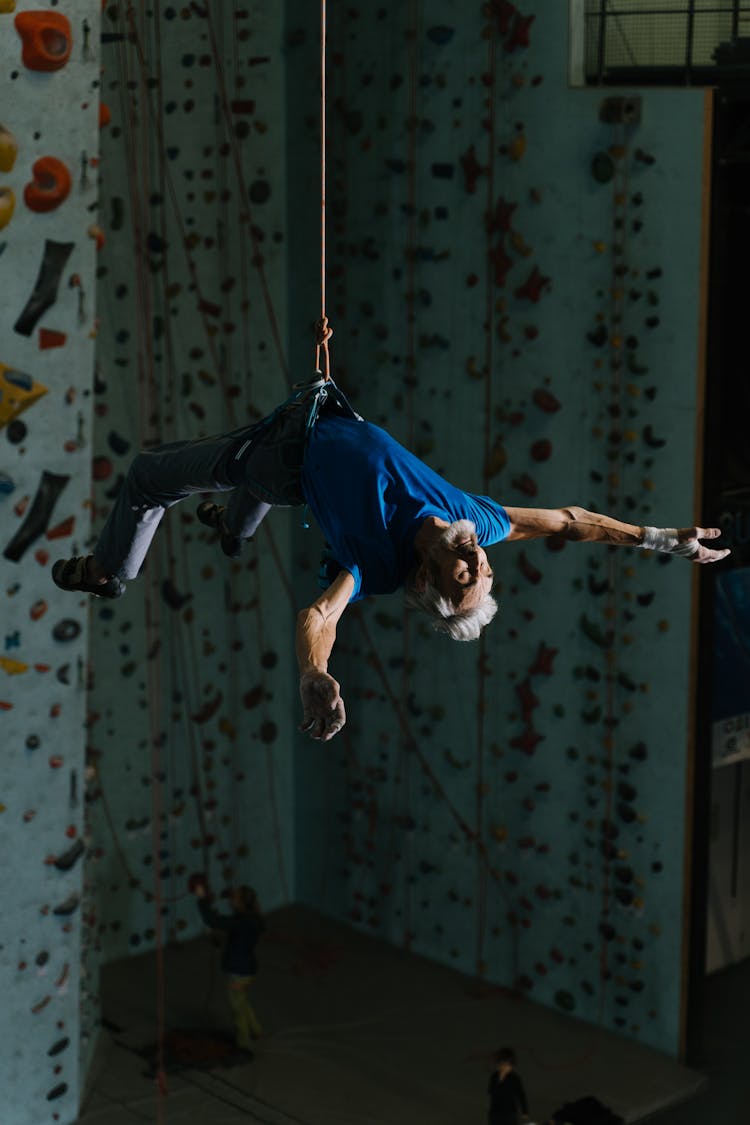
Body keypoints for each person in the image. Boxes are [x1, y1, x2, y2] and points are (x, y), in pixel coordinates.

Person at [51, 327, 730, 743]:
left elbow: (320, 614)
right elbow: (570, 522)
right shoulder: (481, 523)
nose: (478, 562)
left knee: (150, 476)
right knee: (241, 509)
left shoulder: (373, 565)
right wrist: (663, 540)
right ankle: (231, 536)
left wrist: (314, 672)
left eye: (465, 576)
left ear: (423, 579)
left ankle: (113, 570)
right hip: (328, 410)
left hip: (285, 457)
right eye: (484, 572)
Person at [193, 881, 265, 1053]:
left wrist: (202, 899)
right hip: (247, 968)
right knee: (242, 1001)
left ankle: (244, 1042)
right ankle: (256, 1029)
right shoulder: (254, 920)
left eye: (234, 898)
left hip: (238, 971)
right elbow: (236, 940)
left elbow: (212, 920)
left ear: (240, 903)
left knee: (237, 1008)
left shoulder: (240, 922)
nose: (231, 900)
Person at [488, 1046, 530, 1125]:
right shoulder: (494, 1077)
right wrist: (500, 1079)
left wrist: (525, 1111)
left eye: (509, 1065)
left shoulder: (515, 1078)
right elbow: (491, 1091)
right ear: (499, 1064)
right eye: (504, 1064)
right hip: (495, 1113)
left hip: (510, 1114)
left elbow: (521, 1095)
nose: (506, 1067)